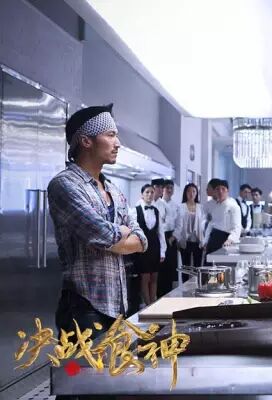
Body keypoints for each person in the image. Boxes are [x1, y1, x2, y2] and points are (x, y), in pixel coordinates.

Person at [48, 104, 147, 340]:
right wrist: (122, 232)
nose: (117, 143)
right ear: (86, 141)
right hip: (83, 306)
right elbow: (104, 234)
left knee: (111, 365)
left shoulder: (113, 189)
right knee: (80, 365)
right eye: (110, 135)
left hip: (117, 305)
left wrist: (117, 236)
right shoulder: (65, 185)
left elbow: (142, 240)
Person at [131, 184, 166, 305]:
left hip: (155, 245)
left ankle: (153, 302)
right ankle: (147, 304)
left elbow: (161, 232)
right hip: (142, 246)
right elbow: (132, 230)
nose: (150, 195)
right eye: (147, 192)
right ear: (142, 194)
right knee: (145, 277)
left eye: (152, 192)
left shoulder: (156, 210)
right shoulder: (135, 210)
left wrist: (162, 251)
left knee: (154, 276)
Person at [204, 179, 242, 253]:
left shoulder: (233, 206)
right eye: (217, 189)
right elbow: (211, 224)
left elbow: (237, 227)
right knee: (209, 260)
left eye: (223, 189)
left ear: (227, 191)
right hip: (213, 239)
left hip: (226, 240)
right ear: (215, 191)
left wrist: (230, 240)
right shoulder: (214, 206)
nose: (220, 191)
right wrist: (206, 240)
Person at [174, 183, 206, 267]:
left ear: (196, 193)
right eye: (189, 191)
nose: (191, 194)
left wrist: (205, 240)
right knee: (186, 267)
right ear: (185, 193)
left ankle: (197, 277)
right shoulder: (181, 207)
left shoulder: (201, 207)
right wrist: (177, 239)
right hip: (185, 241)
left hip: (198, 241)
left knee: (198, 266)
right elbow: (178, 225)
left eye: (194, 191)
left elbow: (203, 225)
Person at [158, 179, 179, 296]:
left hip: (171, 237)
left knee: (170, 267)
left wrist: (173, 237)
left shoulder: (176, 206)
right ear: (163, 189)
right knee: (160, 266)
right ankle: (159, 294)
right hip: (160, 235)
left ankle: (169, 293)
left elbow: (179, 225)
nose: (169, 190)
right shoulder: (158, 203)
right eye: (167, 188)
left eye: (171, 188)